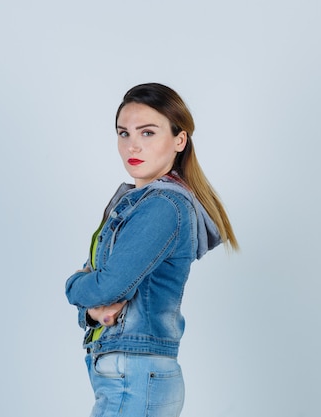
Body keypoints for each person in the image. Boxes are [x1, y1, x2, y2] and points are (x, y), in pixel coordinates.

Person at [65, 83, 238, 417]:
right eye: (123, 133)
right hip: (130, 373)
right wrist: (91, 312)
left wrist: (71, 286)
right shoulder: (138, 203)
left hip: (134, 375)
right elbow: (103, 294)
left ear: (179, 140)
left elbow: (106, 285)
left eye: (147, 133)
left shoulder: (162, 206)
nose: (132, 145)